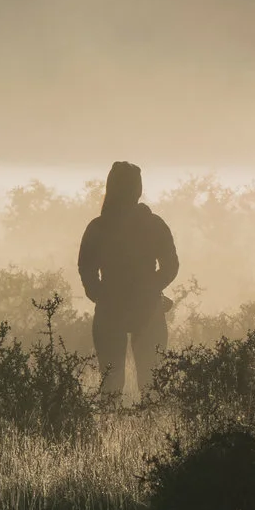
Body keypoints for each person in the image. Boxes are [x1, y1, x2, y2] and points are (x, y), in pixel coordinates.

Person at [78, 161, 179, 401]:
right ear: (138, 189)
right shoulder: (153, 224)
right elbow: (171, 266)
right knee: (152, 383)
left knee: (110, 384)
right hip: (148, 308)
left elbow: (86, 268)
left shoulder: (99, 226)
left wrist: (101, 295)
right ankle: (154, 431)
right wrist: (151, 289)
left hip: (110, 309)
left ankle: (110, 430)